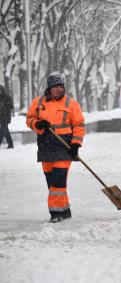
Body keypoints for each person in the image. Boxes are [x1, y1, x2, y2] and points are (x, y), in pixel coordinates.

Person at [26, 73, 85, 223]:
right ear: (50, 88)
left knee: (58, 181)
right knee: (52, 182)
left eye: (61, 86)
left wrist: (76, 144)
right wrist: (37, 124)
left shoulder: (71, 104)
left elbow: (78, 125)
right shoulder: (38, 102)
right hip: (45, 146)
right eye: (56, 86)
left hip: (64, 147)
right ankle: (64, 210)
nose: (59, 89)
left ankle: (56, 214)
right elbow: (30, 119)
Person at [0, 85, 14, 149]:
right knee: (5, 131)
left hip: (5, 117)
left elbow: (10, 107)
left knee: (2, 130)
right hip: (1, 116)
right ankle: (10, 144)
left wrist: (3, 110)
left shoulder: (7, 97)